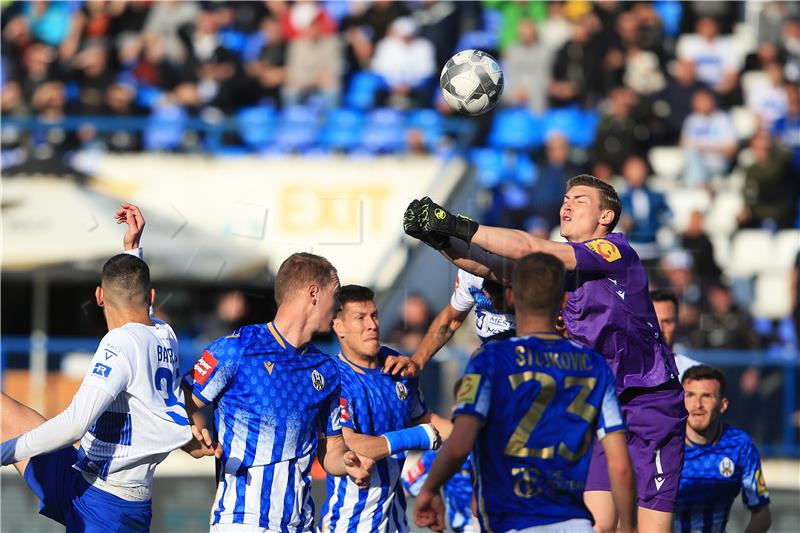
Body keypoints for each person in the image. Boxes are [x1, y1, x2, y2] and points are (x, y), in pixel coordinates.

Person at [403, 174, 687, 532]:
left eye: (580, 199)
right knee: (600, 526)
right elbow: (496, 268)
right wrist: (440, 239)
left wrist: (457, 224)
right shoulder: (560, 268)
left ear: (606, 217)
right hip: (601, 399)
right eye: (565, 198)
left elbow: (525, 248)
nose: (566, 204)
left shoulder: (615, 251)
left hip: (651, 402)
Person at [1, 204, 194, 531]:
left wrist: (4, 454)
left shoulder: (120, 343)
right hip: (89, 479)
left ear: (100, 296)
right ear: (152, 296)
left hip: (107, 505)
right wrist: (133, 250)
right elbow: (137, 296)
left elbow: (75, 425)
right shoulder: (164, 333)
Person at [413, 252, 636, 533]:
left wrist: (430, 489)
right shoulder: (594, 366)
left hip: (511, 521)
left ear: (510, 298)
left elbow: (459, 444)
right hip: (574, 523)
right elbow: (621, 465)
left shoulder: (488, 360)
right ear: (565, 301)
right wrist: (628, 528)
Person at [182, 252, 370, 532]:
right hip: (243, 520)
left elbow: (331, 449)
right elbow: (183, 400)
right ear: (313, 293)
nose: (339, 304)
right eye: (337, 294)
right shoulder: (237, 348)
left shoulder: (326, 369)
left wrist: (346, 462)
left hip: (301, 524)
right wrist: (189, 438)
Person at [320, 284, 445, 532]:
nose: (372, 325)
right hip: (350, 523)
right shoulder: (332, 379)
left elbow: (427, 424)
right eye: (360, 318)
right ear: (338, 326)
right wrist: (414, 437)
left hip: (396, 520)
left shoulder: (398, 367)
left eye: (374, 315)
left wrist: (431, 487)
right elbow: (346, 444)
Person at [677, 365, 772, 533]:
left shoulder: (740, 445)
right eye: (690, 395)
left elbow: (762, 513)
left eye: (706, 396)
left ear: (723, 405)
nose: (697, 404)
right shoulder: (664, 444)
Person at [384, 269, 515, 378]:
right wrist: (417, 361)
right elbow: (451, 320)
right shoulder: (470, 273)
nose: (486, 296)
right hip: (487, 357)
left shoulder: (527, 270)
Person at [402, 380, 474, 533]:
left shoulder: (510, 447)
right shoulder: (442, 453)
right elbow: (405, 488)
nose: (474, 413)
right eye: (467, 406)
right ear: (454, 410)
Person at [650, 289, 700, 379]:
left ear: (677, 324)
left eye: (667, 321)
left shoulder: (697, 377)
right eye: (653, 321)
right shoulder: (619, 372)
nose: (660, 329)